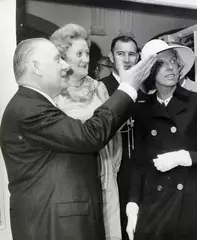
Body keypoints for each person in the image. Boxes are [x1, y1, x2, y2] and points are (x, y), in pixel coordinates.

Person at [0, 37, 156, 240]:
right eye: (57, 59)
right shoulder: (29, 109)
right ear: (37, 67)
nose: (65, 66)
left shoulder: (33, 105)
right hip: (56, 228)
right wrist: (128, 88)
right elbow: (89, 135)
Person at [126, 39, 197, 240]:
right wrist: (133, 205)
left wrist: (186, 157)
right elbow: (139, 163)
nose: (171, 67)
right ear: (150, 71)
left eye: (173, 61)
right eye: (162, 63)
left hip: (190, 204)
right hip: (154, 203)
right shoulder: (143, 108)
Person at [50, 23, 121, 240]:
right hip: (73, 175)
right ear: (63, 56)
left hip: (106, 171)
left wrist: (112, 166)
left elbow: (113, 130)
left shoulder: (99, 87)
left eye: (87, 53)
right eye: (79, 53)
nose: (85, 59)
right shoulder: (54, 92)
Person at [99, 35, 140, 240]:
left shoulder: (145, 88)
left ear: (138, 57)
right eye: (120, 53)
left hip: (142, 169)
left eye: (131, 54)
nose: (126, 59)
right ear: (111, 57)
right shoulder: (100, 88)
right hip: (114, 169)